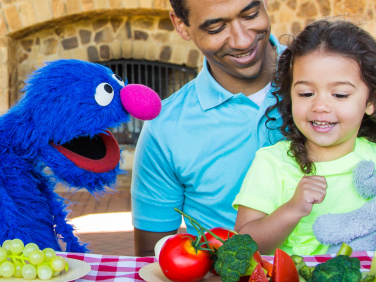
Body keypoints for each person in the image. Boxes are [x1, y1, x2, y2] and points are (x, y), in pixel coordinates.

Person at [131, 0, 286, 256]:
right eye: (215, 28)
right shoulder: (165, 130)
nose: (242, 41)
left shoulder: (342, 84)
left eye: (250, 14)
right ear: (182, 26)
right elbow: (151, 258)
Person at [233, 19, 376, 256]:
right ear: (290, 95)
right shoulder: (272, 163)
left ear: (370, 102)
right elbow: (244, 246)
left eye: (340, 95)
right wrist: (292, 209)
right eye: (306, 93)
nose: (320, 106)